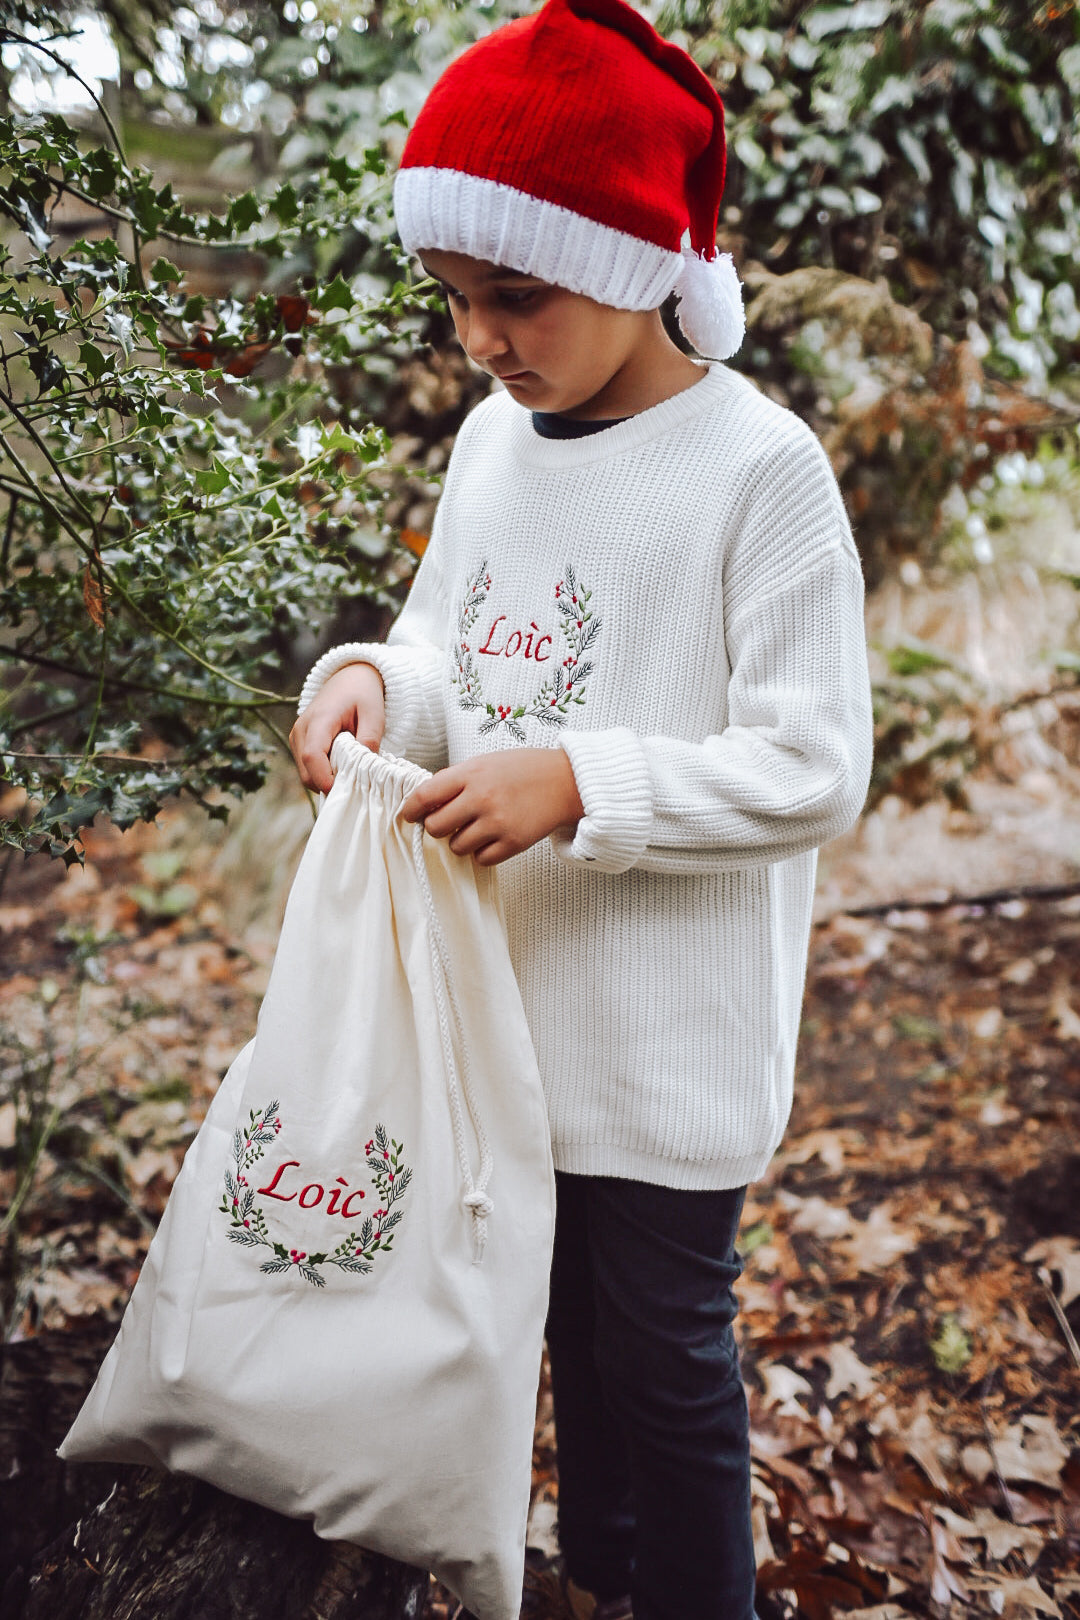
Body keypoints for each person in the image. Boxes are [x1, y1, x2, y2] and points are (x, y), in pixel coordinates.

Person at [289, 1, 873, 1615]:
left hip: (668, 1042)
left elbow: (818, 762)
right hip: (510, 1024)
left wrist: (585, 783)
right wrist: (372, 687)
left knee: (668, 1368)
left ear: (630, 257)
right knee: (559, 1345)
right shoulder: (493, 444)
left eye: (517, 293)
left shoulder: (761, 473)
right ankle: (603, 1583)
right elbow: (446, 648)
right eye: (459, 297)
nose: (483, 335)